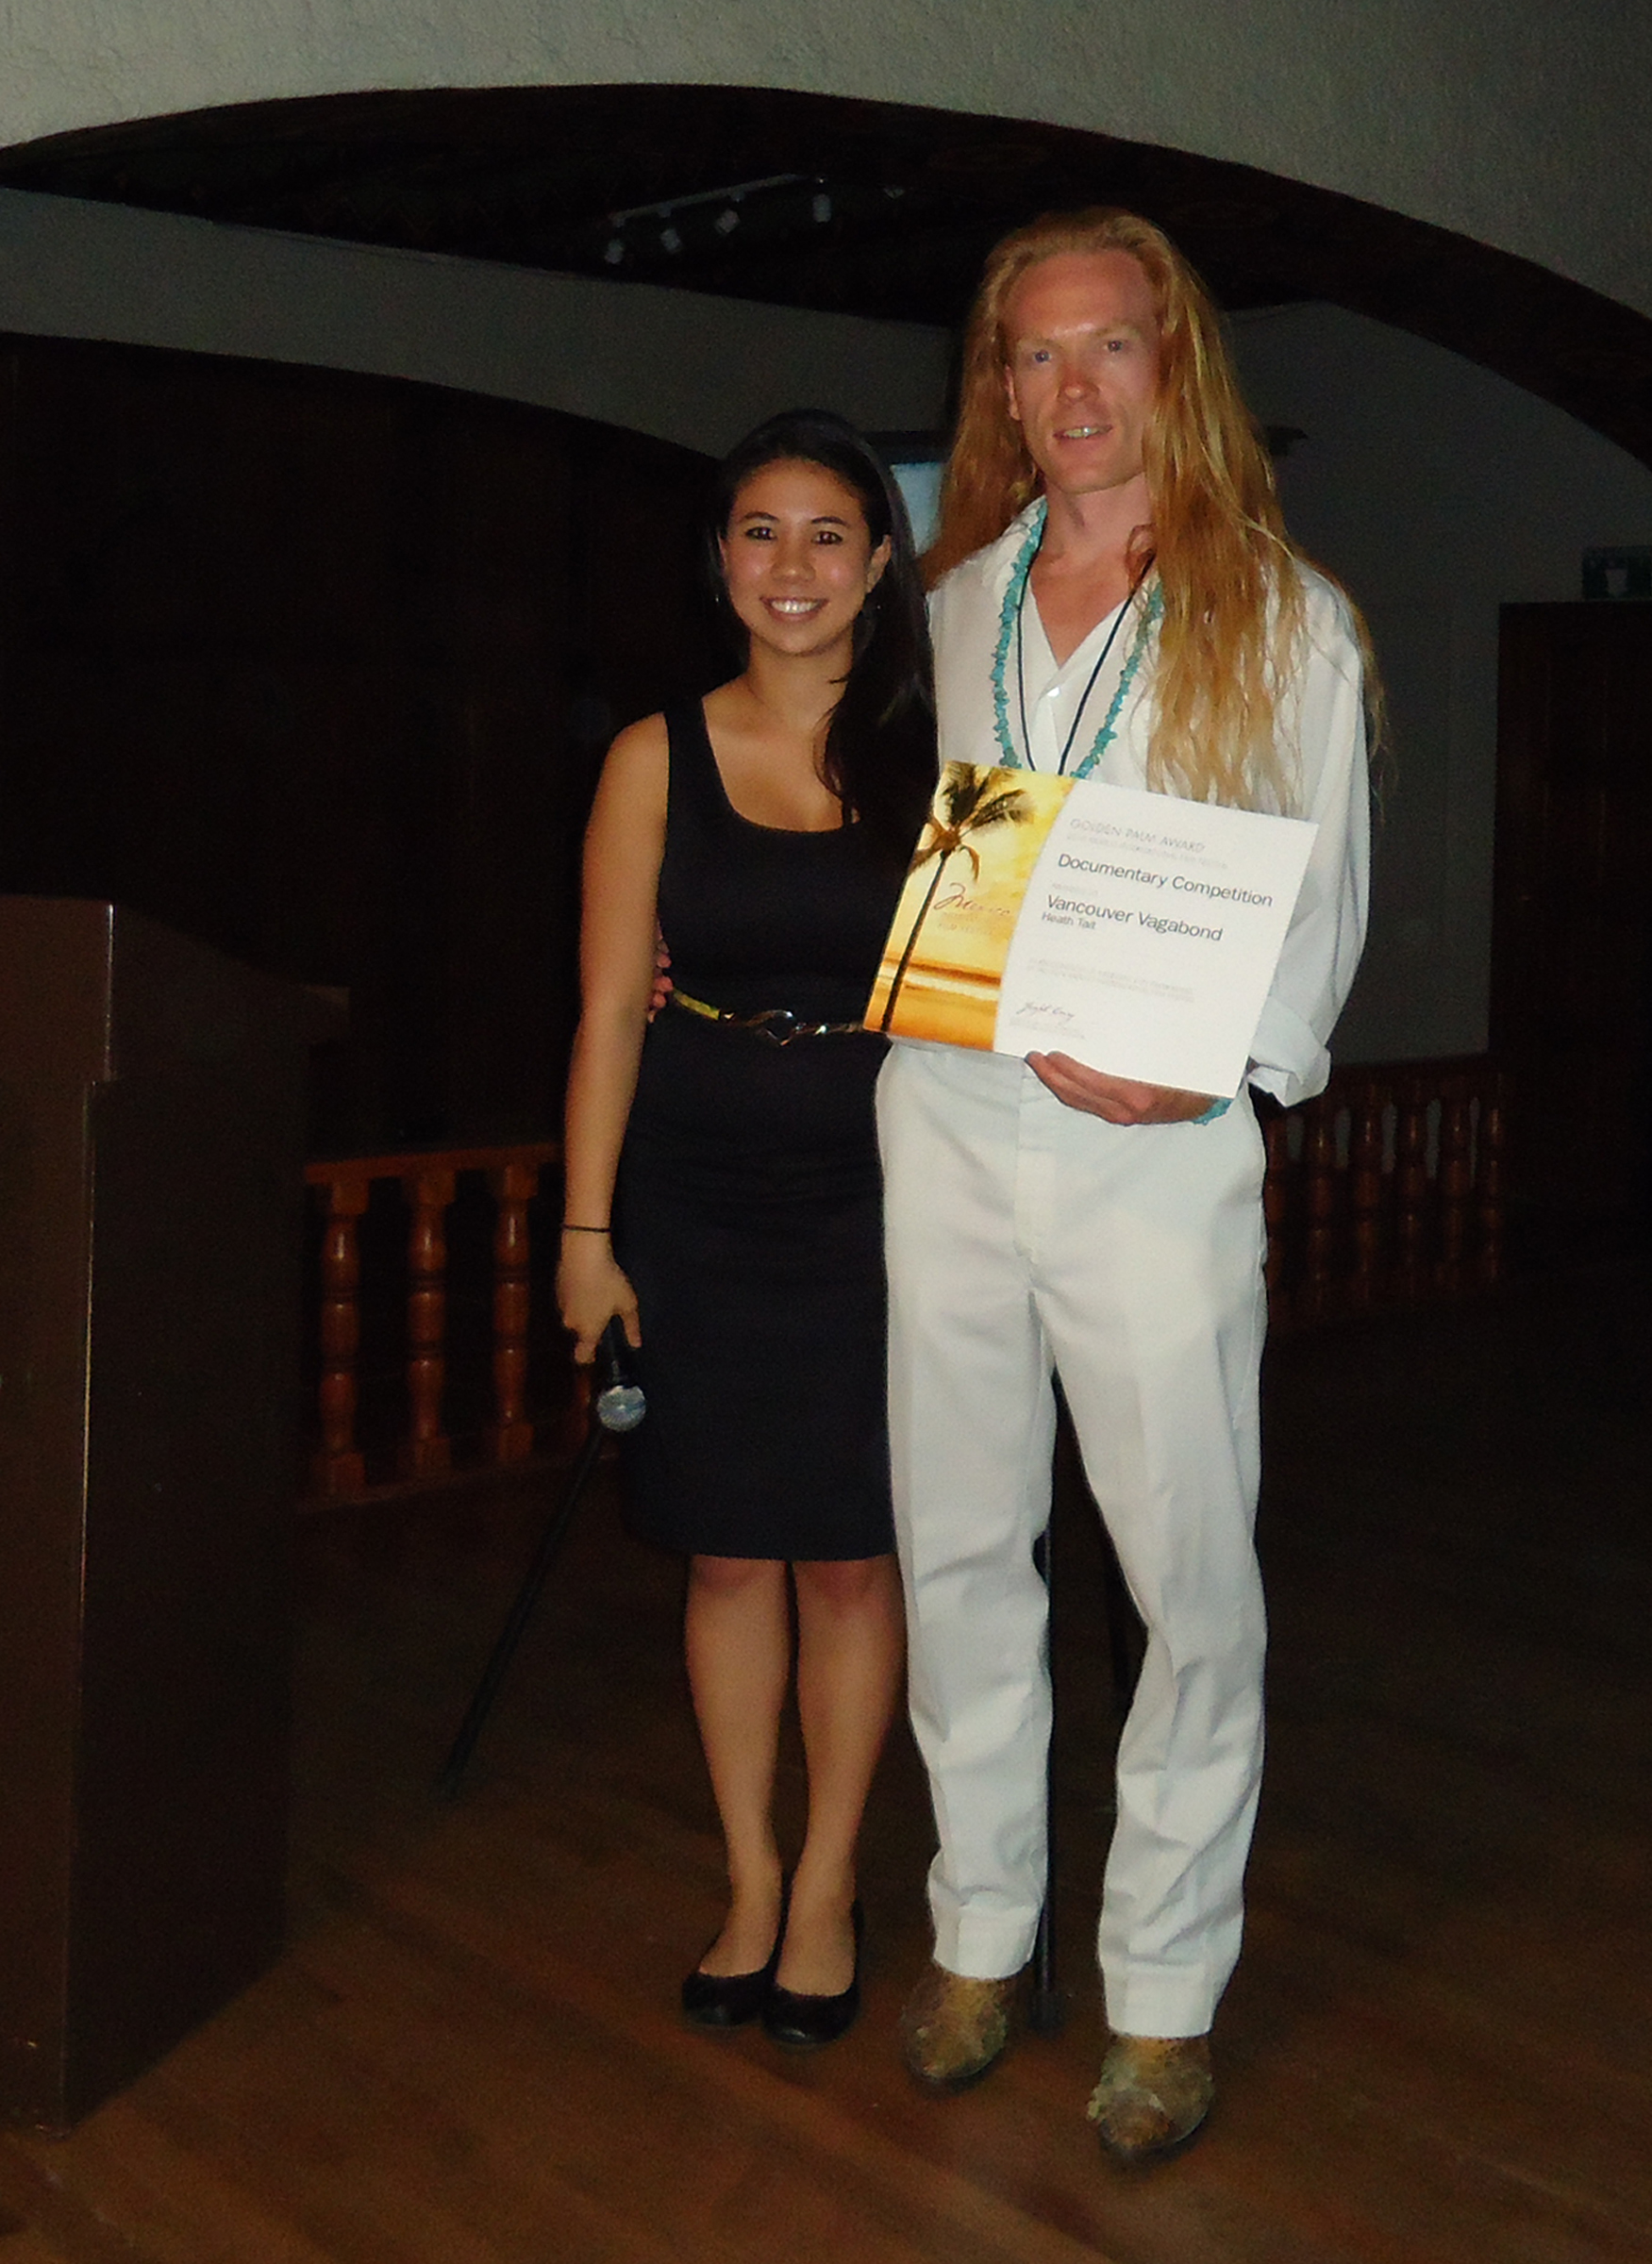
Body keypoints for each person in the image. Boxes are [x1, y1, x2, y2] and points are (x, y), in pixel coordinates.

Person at [880, 210, 1373, 2158]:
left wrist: (1213, 1074)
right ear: (996, 385)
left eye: (1108, 348)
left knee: (1187, 1578)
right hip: (947, 1114)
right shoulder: (956, 594)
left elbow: (1314, 896)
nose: (1070, 392)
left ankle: (1164, 1991)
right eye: (1032, 356)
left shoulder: (1280, 607)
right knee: (956, 1540)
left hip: (1153, 1150)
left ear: (1176, 363)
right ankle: (984, 1930)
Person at [558, 410, 934, 2050]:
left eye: (829, 534)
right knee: (724, 1549)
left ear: (879, 562)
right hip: (696, 1194)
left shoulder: (943, 759)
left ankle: (838, 1885)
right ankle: (751, 1879)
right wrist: (587, 1230)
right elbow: (604, 1016)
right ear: (720, 560)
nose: (794, 568)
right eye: (761, 534)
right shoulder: (652, 754)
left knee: (852, 1554)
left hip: (888, 1194)